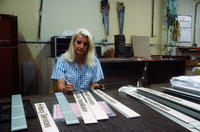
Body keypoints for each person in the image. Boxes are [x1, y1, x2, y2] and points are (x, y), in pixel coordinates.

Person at [51, 28, 104, 93]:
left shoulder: (94, 61)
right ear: (73, 43)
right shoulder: (62, 60)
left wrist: (96, 86)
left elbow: (94, 84)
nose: (81, 46)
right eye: (79, 42)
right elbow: (60, 87)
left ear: (88, 46)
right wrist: (66, 89)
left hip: (88, 98)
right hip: (69, 97)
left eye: (85, 44)